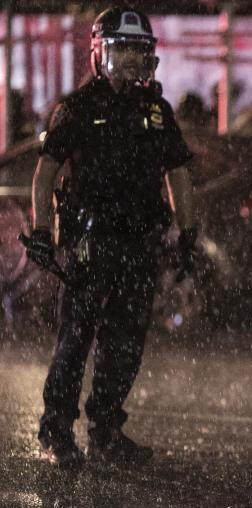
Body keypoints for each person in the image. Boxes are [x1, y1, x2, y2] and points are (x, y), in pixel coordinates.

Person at [21, 7, 196, 469]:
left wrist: (187, 230)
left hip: (140, 245)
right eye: (124, 49)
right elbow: (44, 176)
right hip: (88, 245)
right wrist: (42, 230)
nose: (135, 59)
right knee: (74, 341)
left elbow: (178, 174)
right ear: (100, 52)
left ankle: (106, 432)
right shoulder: (76, 108)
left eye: (141, 50)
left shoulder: (156, 111)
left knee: (125, 343)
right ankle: (57, 432)